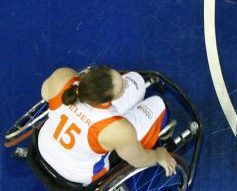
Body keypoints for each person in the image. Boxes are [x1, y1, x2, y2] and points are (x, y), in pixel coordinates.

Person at [37, 66, 176, 184]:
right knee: (157, 102)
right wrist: (159, 155)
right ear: (107, 100)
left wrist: (76, 115)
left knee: (135, 80)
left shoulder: (63, 77)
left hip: (43, 145)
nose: (125, 84)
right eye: (122, 87)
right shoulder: (119, 130)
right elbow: (139, 160)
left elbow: (45, 94)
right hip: (78, 175)